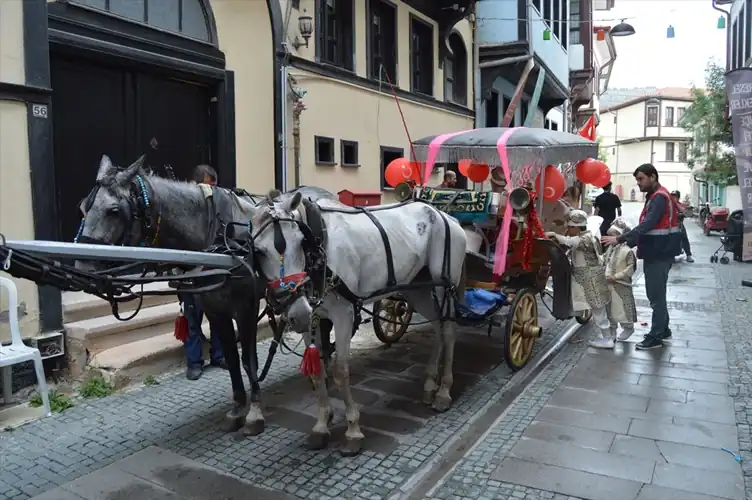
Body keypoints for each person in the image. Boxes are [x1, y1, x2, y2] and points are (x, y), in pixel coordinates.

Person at [601, 164, 681, 350]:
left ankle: (656, 336)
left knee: (655, 296)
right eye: (637, 179)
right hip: (658, 251)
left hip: (658, 253)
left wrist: (620, 239)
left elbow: (647, 225)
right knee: (657, 294)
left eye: (641, 179)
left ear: (653, 177)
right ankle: (664, 329)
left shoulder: (659, 198)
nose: (638, 183)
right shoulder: (656, 196)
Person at [180, 164, 226, 380]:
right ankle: (194, 362)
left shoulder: (215, 208)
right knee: (192, 321)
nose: (213, 191)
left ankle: (218, 355)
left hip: (211, 274)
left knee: (217, 317)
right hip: (190, 276)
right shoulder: (185, 211)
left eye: (215, 186)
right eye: (209, 185)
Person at [547, 210, 611, 347]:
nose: (568, 230)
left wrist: (554, 235)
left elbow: (571, 242)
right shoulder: (587, 236)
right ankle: (607, 335)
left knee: (598, 308)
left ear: (576, 227)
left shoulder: (585, 239)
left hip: (591, 278)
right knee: (597, 307)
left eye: (569, 227)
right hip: (588, 277)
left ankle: (608, 338)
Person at [603, 219, 638, 345]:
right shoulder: (610, 249)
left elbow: (630, 268)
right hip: (608, 284)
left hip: (621, 285)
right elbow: (605, 260)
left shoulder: (627, 251)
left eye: (613, 235)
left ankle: (628, 328)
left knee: (622, 309)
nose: (610, 238)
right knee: (609, 309)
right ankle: (612, 331)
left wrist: (617, 276)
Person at [671, 190, 694, 263]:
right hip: (670, 226)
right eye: (672, 196)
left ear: (678, 198)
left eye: (675, 196)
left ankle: (689, 255)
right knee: (669, 240)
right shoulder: (668, 205)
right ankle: (671, 256)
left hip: (679, 224)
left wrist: (687, 211)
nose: (673, 198)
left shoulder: (681, 205)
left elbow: (688, 213)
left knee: (684, 238)